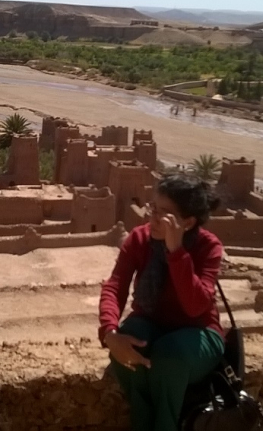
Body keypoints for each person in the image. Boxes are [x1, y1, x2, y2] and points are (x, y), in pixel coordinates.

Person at [98, 174, 224, 431]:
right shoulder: (139, 238)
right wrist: (109, 332)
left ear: (187, 222)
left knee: (169, 356)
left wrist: (176, 252)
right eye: (153, 208)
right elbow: (116, 285)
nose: (152, 217)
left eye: (163, 213)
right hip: (151, 325)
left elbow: (196, 306)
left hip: (199, 334)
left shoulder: (208, 247)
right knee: (128, 341)